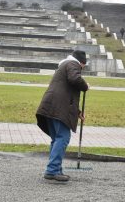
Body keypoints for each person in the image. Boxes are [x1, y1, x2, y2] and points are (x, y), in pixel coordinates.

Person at [36, 50, 89, 182]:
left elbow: (66, 94)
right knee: (63, 137)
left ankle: (55, 169)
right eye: (83, 67)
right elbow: (75, 79)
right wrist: (85, 85)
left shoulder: (64, 66)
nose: (81, 69)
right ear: (81, 63)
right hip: (57, 109)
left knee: (57, 138)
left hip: (51, 107)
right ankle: (52, 170)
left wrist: (77, 113)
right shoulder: (72, 64)